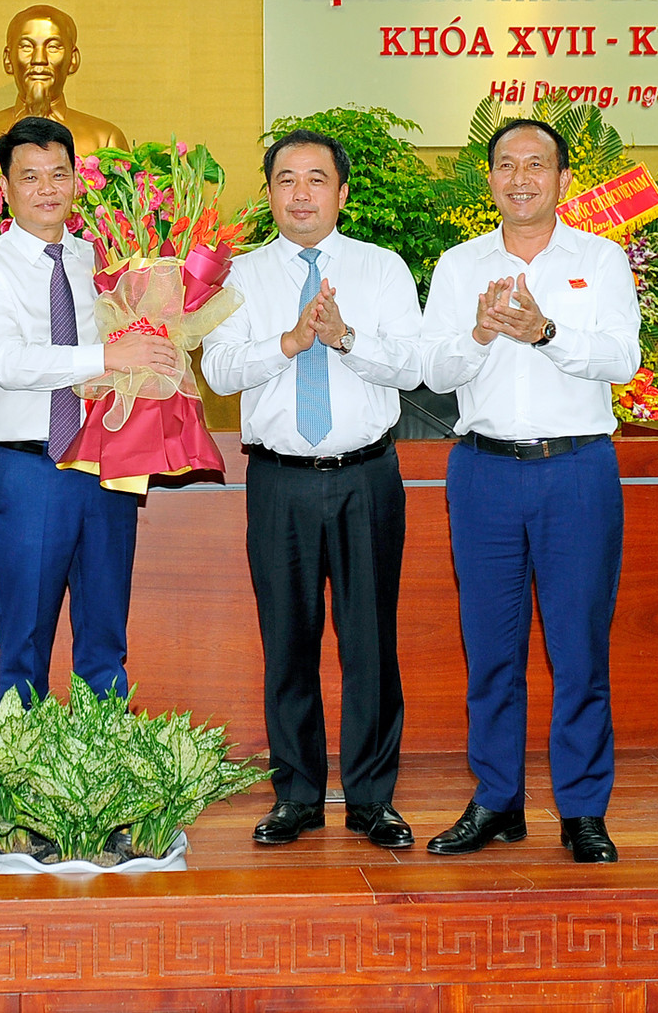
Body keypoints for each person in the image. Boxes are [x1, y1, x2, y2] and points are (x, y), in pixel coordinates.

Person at [419, 118, 639, 865]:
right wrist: (481, 333)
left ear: (563, 179)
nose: (521, 178)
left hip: (575, 470)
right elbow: (436, 371)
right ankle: (497, 800)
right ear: (489, 180)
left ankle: (582, 808)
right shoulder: (457, 265)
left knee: (579, 648)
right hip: (482, 470)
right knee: (491, 649)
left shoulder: (601, 259)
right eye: (506, 165)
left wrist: (545, 331)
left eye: (536, 165)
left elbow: (622, 356)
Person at [200, 129, 424, 850]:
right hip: (280, 482)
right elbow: (222, 373)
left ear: (342, 191)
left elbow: (412, 369)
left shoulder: (382, 268)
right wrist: (291, 343)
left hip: (367, 476)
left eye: (316, 179)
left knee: (369, 641)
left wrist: (344, 336)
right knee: (288, 641)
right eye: (287, 179)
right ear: (268, 192)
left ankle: (370, 797)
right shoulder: (238, 276)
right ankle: (295, 793)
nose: (301, 193)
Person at [0, 116, 177, 704]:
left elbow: (145, 345)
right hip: (33, 467)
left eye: (59, 174)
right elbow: (6, 361)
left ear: (77, 181)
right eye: (30, 177)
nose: (46, 188)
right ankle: (23, 777)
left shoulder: (104, 264)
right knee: (25, 637)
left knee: (106, 634)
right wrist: (106, 354)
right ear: (4, 188)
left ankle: (100, 776)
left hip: (110, 464)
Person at [0, 6, 128, 170]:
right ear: (7, 59)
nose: (39, 59)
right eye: (26, 46)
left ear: (73, 60)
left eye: (53, 47)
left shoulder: (105, 141)